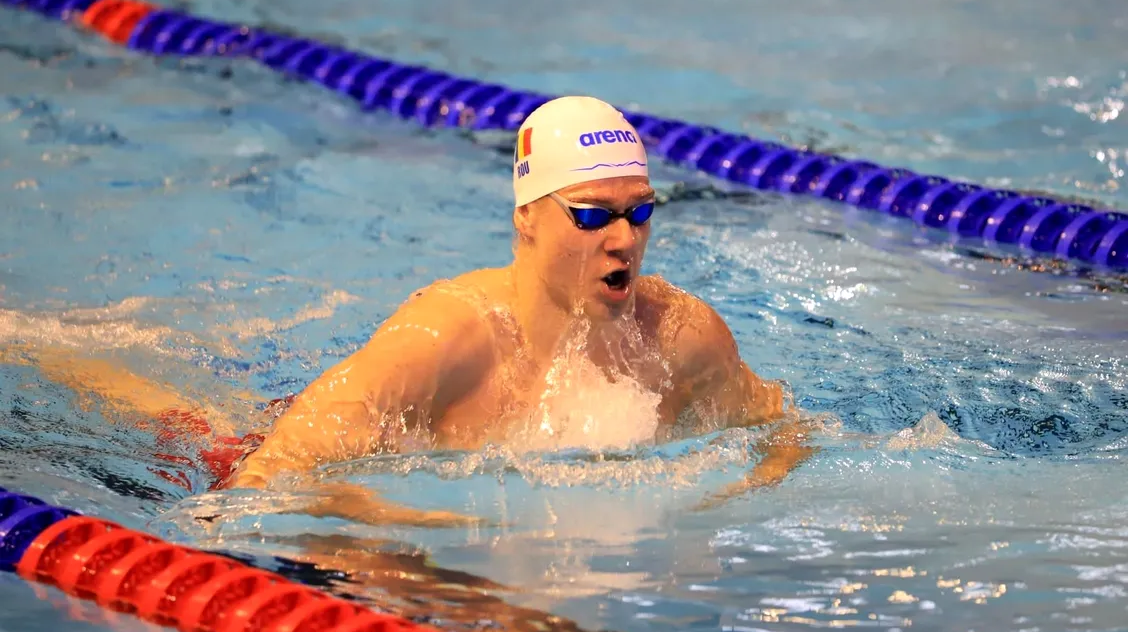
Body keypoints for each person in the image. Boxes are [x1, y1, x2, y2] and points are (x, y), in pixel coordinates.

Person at [217, 95, 815, 506]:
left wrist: (723, 503)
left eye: (639, 212)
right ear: (526, 216)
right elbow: (272, 472)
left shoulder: (680, 336)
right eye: (592, 215)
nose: (624, 240)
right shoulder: (445, 338)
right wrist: (422, 529)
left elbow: (785, 429)